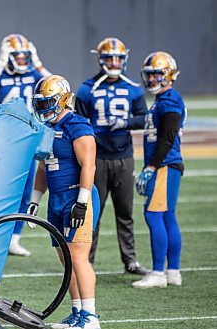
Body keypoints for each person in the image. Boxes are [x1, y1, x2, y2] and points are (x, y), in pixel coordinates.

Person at [27, 75, 100, 329]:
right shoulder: (46, 129)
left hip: (76, 197)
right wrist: (35, 200)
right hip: (57, 199)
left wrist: (82, 201)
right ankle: (78, 311)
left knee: (78, 257)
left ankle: (91, 317)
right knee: (66, 259)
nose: (43, 107)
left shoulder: (77, 125)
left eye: (48, 101)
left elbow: (89, 166)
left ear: (62, 99)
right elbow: (43, 168)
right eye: (41, 102)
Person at [75, 37, 149, 275]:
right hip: (96, 160)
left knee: (125, 212)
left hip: (124, 157)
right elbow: (78, 123)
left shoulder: (133, 89)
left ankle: (130, 260)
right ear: (101, 59)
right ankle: (87, 260)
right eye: (110, 58)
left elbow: (143, 118)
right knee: (93, 213)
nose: (115, 62)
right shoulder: (87, 89)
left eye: (119, 58)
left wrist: (125, 122)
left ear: (125, 60)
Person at [0, 33, 51, 257]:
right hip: (2, 140)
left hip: (28, 139)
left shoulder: (34, 74)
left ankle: (14, 239)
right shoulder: (0, 75)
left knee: (25, 189)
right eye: (16, 56)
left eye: (24, 56)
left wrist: (38, 63)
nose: (21, 61)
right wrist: (0, 64)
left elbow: (58, 85)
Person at [132, 51, 185, 289]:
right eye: (150, 75)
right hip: (167, 165)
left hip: (164, 165)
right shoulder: (164, 100)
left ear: (170, 74)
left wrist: (151, 167)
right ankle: (173, 271)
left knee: (154, 215)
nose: (152, 79)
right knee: (166, 216)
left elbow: (168, 136)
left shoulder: (170, 100)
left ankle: (158, 273)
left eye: (157, 74)